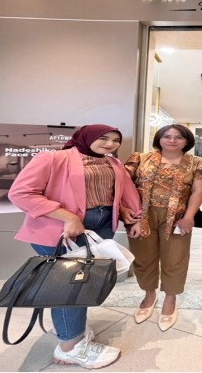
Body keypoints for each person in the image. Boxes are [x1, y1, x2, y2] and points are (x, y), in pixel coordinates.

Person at [8, 124, 142, 369]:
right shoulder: (53, 158)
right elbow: (21, 193)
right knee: (70, 287)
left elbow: (117, 193)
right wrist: (68, 216)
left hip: (100, 230)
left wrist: (128, 214)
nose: (110, 144)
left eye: (116, 140)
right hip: (61, 231)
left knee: (84, 284)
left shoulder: (113, 163)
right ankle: (70, 347)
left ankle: (72, 331)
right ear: (86, 137)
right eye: (104, 138)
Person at [124, 124, 202, 331]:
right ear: (159, 138)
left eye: (178, 137)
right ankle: (149, 295)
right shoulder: (141, 158)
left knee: (175, 258)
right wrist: (126, 211)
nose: (172, 140)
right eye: (167, 136)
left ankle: (170, 299)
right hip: (141, 216)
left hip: (177, 218)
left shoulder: (197, 163)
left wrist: (189, 216)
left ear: (187, 141)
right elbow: (125, 186)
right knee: (143, 258)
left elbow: (198, 192)